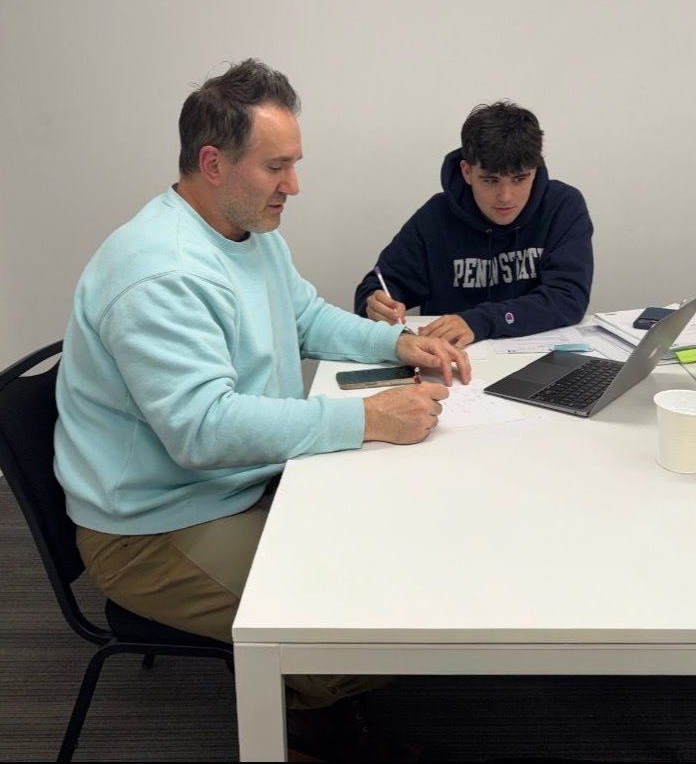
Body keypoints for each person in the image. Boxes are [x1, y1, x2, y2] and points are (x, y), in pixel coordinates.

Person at [53, 59, 469, 762]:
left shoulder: (250, 230)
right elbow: (203, 430)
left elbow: (304, 316)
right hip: (158, 526)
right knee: (366, 634)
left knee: (402, 553)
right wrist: (371, 418)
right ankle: (300, 718)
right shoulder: (160, 272)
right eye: (277, 167)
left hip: (240, 483)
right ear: (213, 164)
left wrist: (399, 343)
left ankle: (309, 697)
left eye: (294, 164)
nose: (293, 186)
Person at [354, 101, 594, 347]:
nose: (505, 197)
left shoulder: (562, 207)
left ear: (536, 169)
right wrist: (376, 303)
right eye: (490, 180)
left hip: (540, 355)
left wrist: (480, 321)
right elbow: (378, 285)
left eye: (519, 179)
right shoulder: (436, 217)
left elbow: (568, 297)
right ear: (467, 171)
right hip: (453, 359)